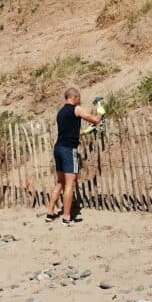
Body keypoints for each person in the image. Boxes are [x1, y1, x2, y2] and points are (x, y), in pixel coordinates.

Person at [45, 88, 104, 226]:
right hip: (68, 150)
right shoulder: (76, 109)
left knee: (60, 182)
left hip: (58, 148)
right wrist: (100, 110)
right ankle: (66, 217)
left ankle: (49, 213)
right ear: (74, 97)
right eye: (79, 97)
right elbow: (95, 119)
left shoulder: (61, 112)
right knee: (70, 184)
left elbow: (69, 130)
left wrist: (85, 131)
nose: (80, 100)